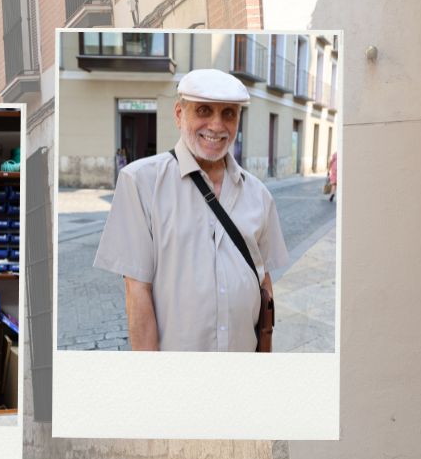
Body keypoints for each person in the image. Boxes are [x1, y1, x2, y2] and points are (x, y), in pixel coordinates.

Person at [93, 69, 288, 352]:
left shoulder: (259, 194)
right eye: (204, 110)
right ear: (178, 114)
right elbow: (137, 292)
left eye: (229, 114)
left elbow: (264, 279)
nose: (217, 125)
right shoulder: (140, 183)